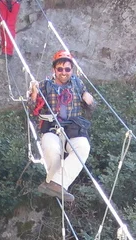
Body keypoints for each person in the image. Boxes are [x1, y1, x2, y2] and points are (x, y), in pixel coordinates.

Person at [28, 50, 95, 203]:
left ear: (72, 70)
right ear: (54, 70)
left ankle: (55, 184)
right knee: (52, 150)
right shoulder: (44, 85)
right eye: (60, 69)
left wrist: (90, 100)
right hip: (51, 127)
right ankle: (55, 184)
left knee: (83, 148)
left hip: (73, 127)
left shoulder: (78, 84)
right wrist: (34, 93)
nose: (64, 72)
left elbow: (90, 108)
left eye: (67, 69)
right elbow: (32, 109)